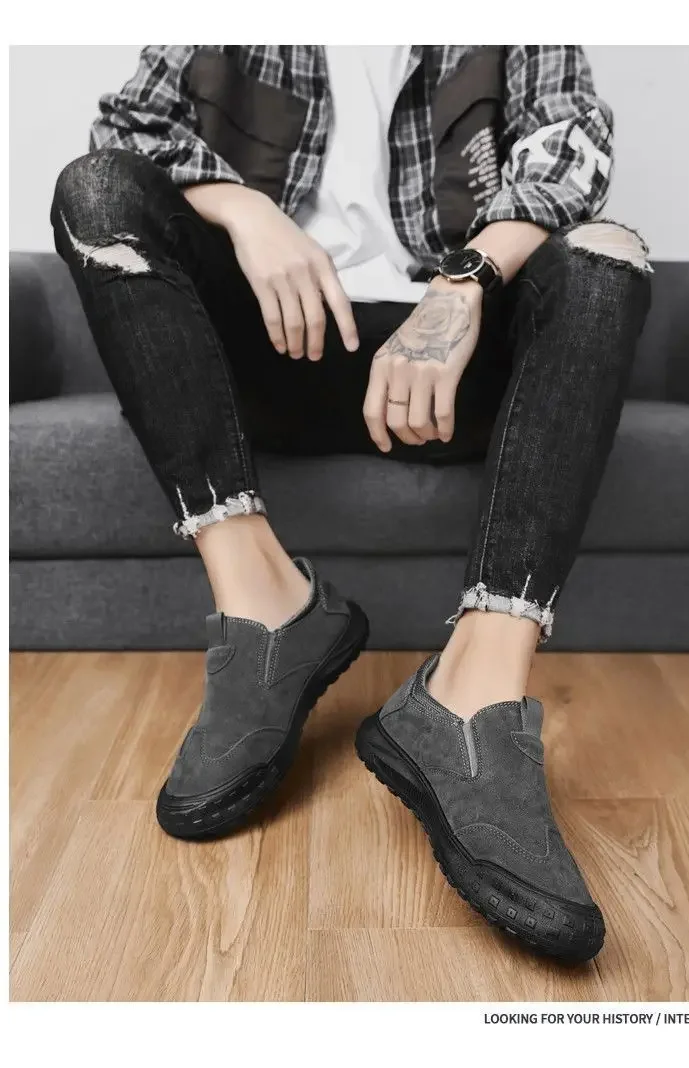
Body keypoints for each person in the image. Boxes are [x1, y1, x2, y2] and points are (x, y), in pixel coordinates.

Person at [51, 45, 651, 962]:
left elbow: (571, 143)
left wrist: (463, 285)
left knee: (608, 250)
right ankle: (268, 611)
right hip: (273, 346)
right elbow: (125, 128)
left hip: (449, 362)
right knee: (94, 189)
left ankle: (470, 698)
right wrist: (246, 209)